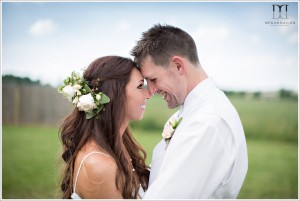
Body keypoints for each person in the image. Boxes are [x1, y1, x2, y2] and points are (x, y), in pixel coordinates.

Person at [131, 24, 248, 199]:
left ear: (178, 66)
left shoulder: (208, 123)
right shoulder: (194, 110)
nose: (152, 90)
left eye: (153, 79)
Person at [58, 56, 151, 199]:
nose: (148, 94)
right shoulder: (99, 164)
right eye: (140, 86)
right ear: (115, 93)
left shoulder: (121, 142)